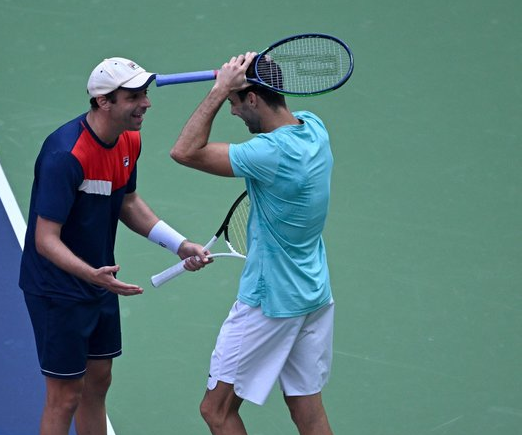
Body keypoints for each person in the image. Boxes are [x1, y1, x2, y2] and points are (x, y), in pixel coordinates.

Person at [19, 57, 209, 435]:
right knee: (65, 395)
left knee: (98, 382)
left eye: (145, 93)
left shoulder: (129, 140)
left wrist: (179, 244)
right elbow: (45, 240)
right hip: (58, 289)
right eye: (134, 96)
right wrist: (92, 275)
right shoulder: (65, 155)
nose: (146, 103)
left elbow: (127, 201)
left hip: (99, 279)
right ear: (104, 101)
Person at [169, 52, 336, 435]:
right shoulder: (314, 129)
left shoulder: (271, 153)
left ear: (253, 98)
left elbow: (185, 151)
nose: (232, 111)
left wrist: (218, 88)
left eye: (234, 102)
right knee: (308, 412)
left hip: (270, 302)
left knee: (216, 410)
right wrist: (239, 80)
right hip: (313, 295)